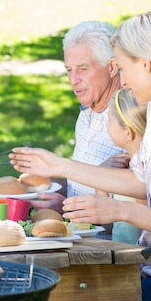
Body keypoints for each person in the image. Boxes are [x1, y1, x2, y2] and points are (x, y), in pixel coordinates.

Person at [11, 9, 151, 301]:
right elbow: (141, 179)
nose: (121, 81)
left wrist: (121, 211)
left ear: (147, 65)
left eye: (122, 68)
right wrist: (60, 165)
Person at [31, 21, 125, 217]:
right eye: (68, 70)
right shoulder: (86, 113)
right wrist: (40, 190)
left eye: (83, 69)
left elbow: (133, 208)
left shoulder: (130, 119)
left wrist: (66, 206)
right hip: (78, 235)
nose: (73, 80)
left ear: (112, 67)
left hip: (111, 242)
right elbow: (80, 184)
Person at [100, 86, 148, 244]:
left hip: (138, 262)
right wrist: (102, 180)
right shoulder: (125, 166)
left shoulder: (142, 174)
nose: (107, 125)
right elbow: (105, 222)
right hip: (121, 255)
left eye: (109, 121)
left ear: (127, 132)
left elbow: (145, 232)